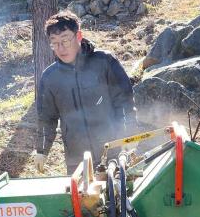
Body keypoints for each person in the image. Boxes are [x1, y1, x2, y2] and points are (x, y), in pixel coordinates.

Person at [35, 11, 137, 174]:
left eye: (65, 40)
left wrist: (130, 133)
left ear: (79, 36)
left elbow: (124, 100)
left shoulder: (104, 62)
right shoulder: (50, 77)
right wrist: (41, 150)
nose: (60, 48)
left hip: (113, 151)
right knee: (82, 199)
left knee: (119, 195)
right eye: (54, 43)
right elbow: (47, 118)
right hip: (77, 160)